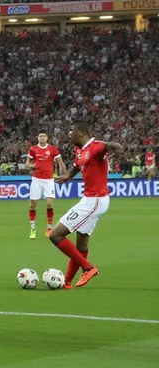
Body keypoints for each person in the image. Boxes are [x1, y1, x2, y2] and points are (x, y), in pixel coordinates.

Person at [51, 121, 123, 289]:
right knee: (82, 244)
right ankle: (67, 282)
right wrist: (68, 175)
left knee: (55, 235)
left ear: (82, 133)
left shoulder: (96, 147)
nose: (69, 134)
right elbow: (77, 165)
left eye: (72, 131)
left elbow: (113, 147)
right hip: (91, 199)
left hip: (95, 200)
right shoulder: (79, 149)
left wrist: (112, 146)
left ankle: (88, 268)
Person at [25, 132, 67, 239]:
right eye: (40, 136)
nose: (42, 138)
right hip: (36, 180)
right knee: (32, 205)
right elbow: (26, 165)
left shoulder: (53, 149)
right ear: (37, 138)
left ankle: (49, 228)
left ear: (47, 138)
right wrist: (32, 166)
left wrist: (64, 174)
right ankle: (33, 228)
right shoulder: (33, 149)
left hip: (49, 180)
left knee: (49, 204)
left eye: (44, 136)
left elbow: (60, 162)